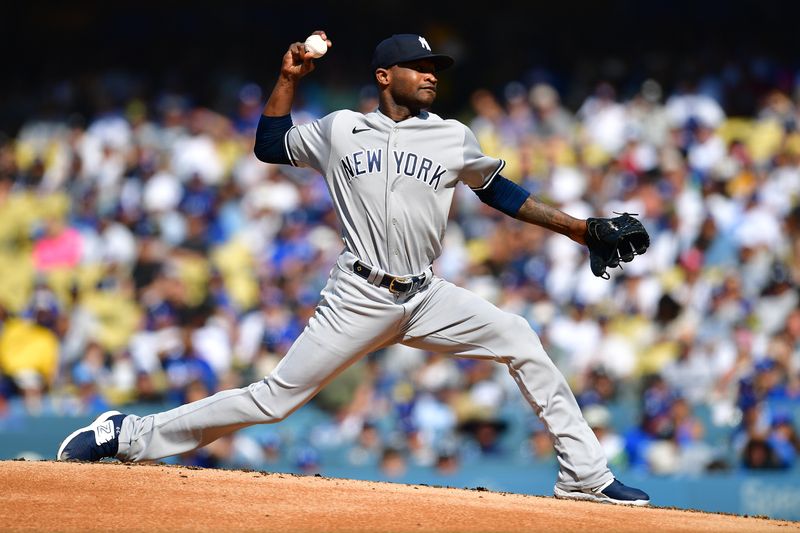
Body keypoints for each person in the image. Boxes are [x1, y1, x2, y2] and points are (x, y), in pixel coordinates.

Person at [57, 31, 650, 506]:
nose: (431, 75)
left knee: (521, 337)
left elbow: (499, 192)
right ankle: (125, 435)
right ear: (385, 77)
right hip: (359, 295)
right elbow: (269, 145)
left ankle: (585, 476)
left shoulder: (452, 135)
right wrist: (288, 80)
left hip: (427, 295)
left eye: (435, 67)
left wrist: (579, 229)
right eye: (420, 67)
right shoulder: (341, 128)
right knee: (273, 401)